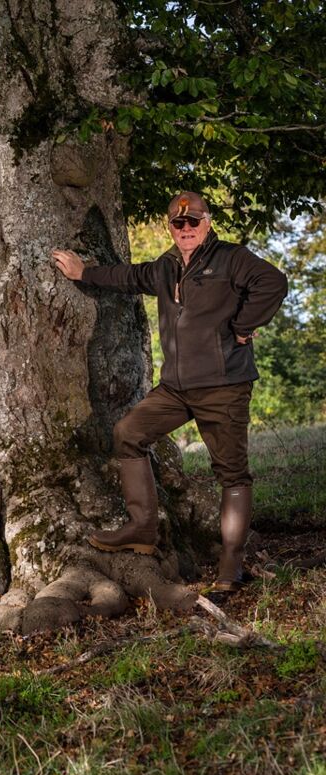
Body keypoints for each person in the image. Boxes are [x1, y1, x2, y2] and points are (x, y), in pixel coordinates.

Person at [52, 191, 287, 596]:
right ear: (170, 226)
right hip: (175, 389)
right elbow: (128, 277)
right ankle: (143, 527)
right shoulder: (165, 267)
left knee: (231, 475)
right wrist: (83, 272)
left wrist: (244, 325)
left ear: (207, 222)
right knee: (128, 432)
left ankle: (231, 565)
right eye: (178, 224)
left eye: (193, 221)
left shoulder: (231, 258)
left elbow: (273, 282)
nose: (186, 229)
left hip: (224, 386)